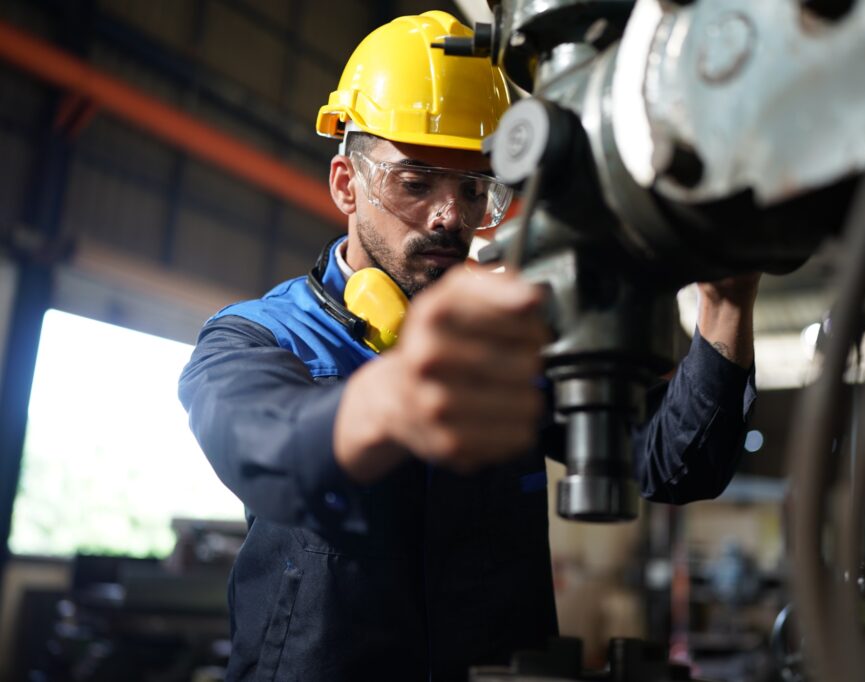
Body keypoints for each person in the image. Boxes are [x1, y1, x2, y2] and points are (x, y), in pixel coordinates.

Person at [179, 10, 758, 681]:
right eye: (416, 182)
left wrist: (724, 308)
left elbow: (673, 462)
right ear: (347, 184)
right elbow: (260, 444)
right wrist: (391, 404)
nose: (450, 216)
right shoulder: (256, 334)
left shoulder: (518, 346)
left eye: (475, 188)